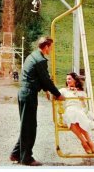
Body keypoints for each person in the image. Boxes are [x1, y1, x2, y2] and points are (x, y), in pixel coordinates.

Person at [10, 36, 65, 166]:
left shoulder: (32, 56)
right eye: (50, 47)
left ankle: (16, 153)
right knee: (30, 127)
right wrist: (57, 94)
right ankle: (26, 158)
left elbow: (39, 78)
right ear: (46, 47)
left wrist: (46, 88)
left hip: (24, 92)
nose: (51, 50)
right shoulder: (40, 60)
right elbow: (45, 80)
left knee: (26, 125)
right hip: (29, 93)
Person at [59, 72, 94, 154]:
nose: (68, 81)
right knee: (72, 114)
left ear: (75, 81)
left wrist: (82, 100)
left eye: (69, 79)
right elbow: (55, 96)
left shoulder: (81, 93)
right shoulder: (63, 90)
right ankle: (86, 142)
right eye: (67, 79)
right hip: (69, 110)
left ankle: (88, 142)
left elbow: (85, 108)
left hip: (79, 111)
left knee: (78, 115)